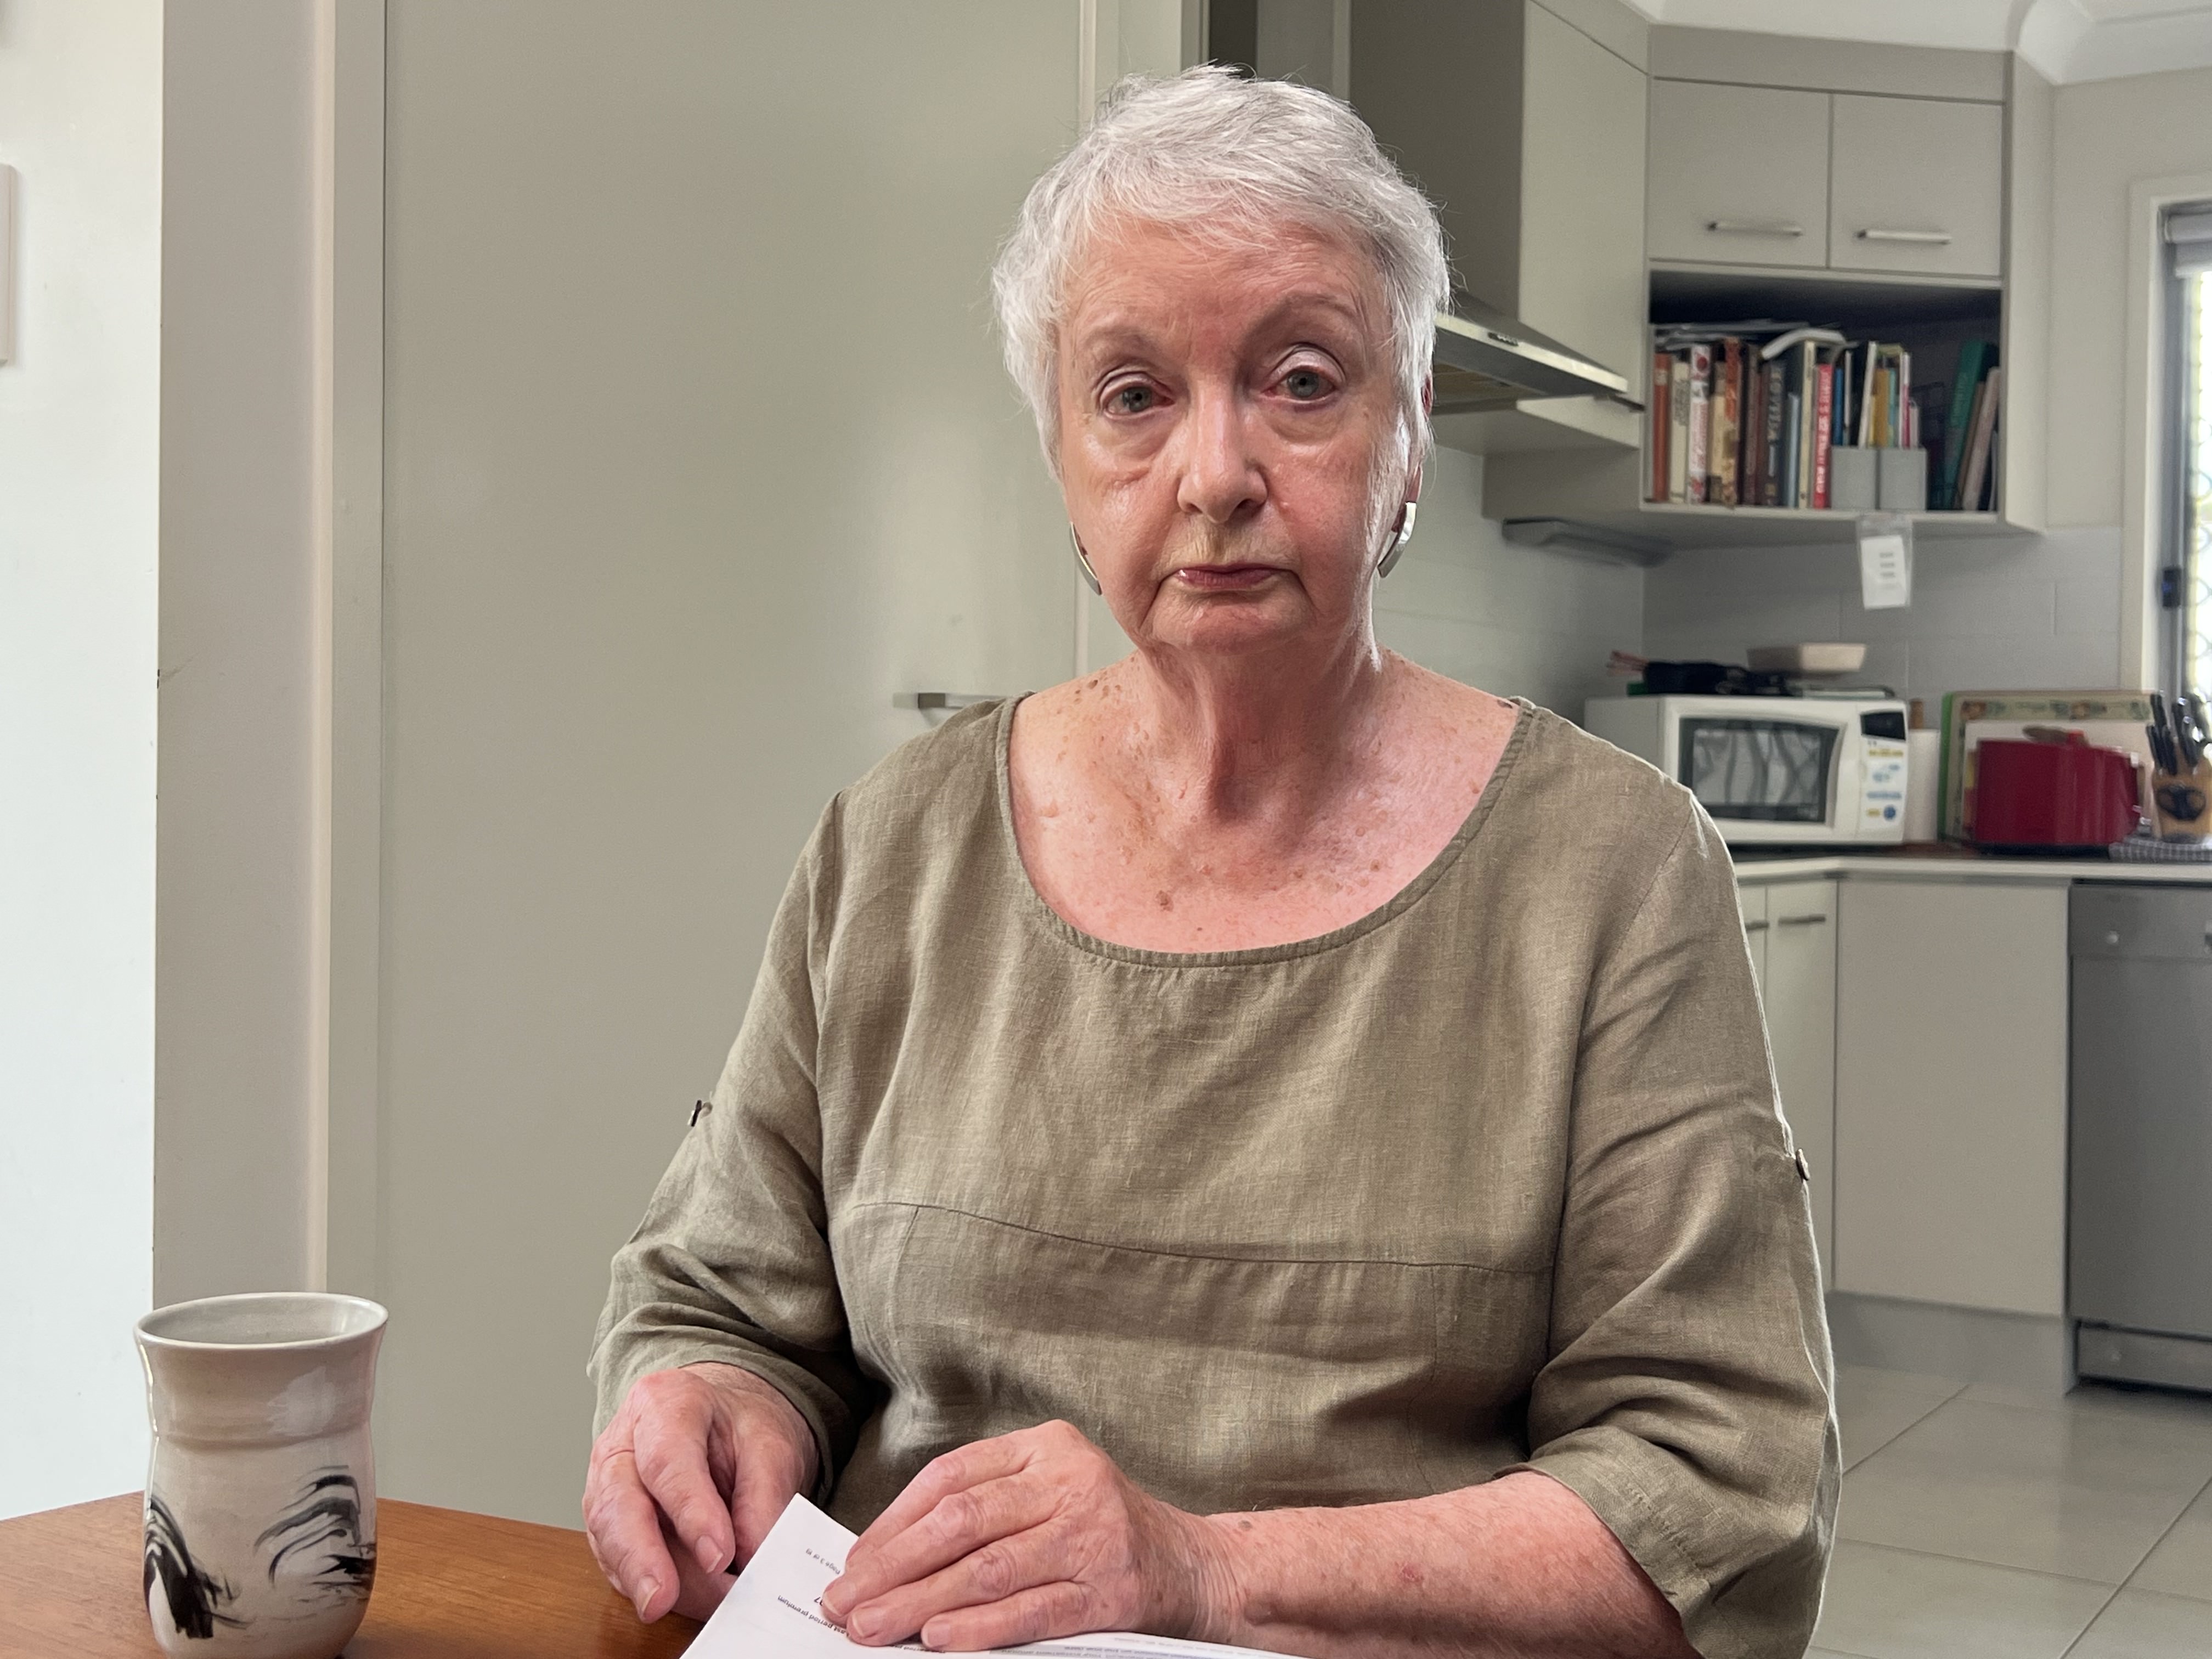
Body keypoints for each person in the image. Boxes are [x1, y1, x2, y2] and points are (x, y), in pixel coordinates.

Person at [584, 66, 1836, 1659]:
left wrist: (1201, 1571)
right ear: (1062, 454)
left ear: (1409, 436)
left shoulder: (1615, 870)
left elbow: (1722, 1503)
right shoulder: (893, 845)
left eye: (1302, 381)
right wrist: (708, 1400)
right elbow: (717, 1297)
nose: (1216, 475)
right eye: (1132, 394)